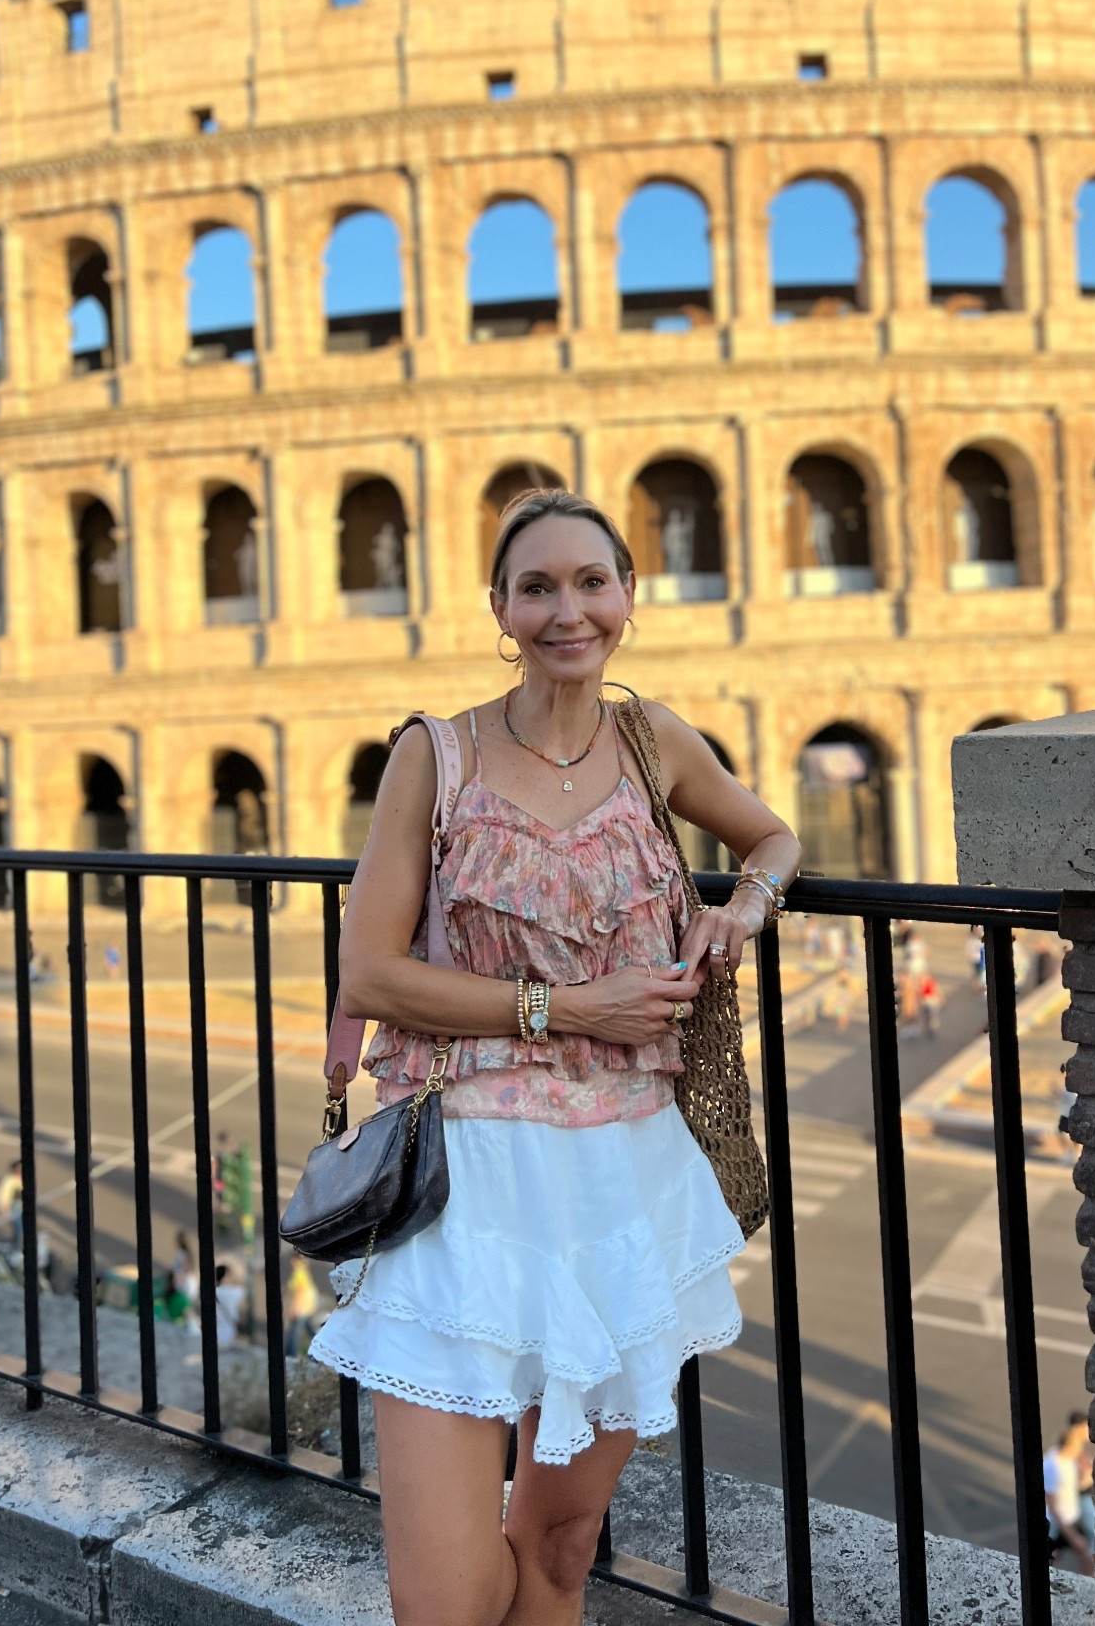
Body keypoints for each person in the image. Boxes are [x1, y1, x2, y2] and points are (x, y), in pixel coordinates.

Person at [310, 487, 800, 1626]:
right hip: (465, 1182)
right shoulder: (438, 755)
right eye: (538, 586)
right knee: (443, 1599)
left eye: (592, 581)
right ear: (502, 607)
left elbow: (770, 833)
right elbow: (370, 975)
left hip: (628, 1175)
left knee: (565, 1545)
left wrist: (745, 908)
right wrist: (573, 1007)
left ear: (629, 596)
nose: (567, 609)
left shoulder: (654, 739)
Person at [1044, 1412, 1095, 1575]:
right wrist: (1073, 1536)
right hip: (1056, 1526)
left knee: (1089, 1555)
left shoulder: (1073, 1456)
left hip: (1071, 1518)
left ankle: (1090, 1587)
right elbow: (1053, 1507)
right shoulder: (1053, 1465)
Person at [284, 1255, 320, 1358]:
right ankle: (320, 1347)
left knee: (295, 1332)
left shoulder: (299, 1272)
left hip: (302, 1307)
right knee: (308, 1329)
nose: (291, 1262)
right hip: (307, 1306)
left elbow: (300, 1292)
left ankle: (291, 1354)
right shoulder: (303, 1270)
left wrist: (295, 1308)